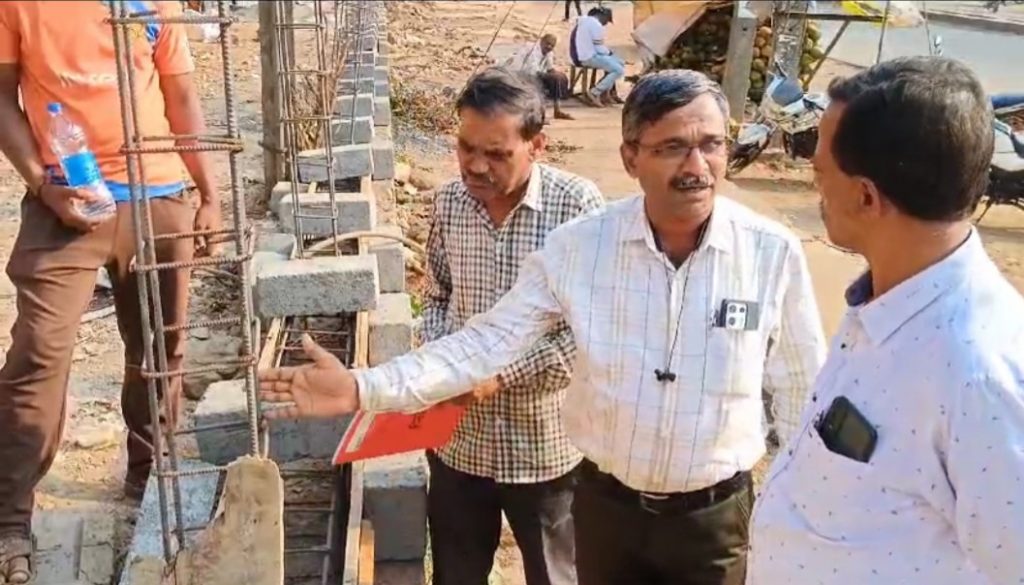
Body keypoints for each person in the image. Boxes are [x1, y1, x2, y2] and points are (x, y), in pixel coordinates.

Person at [259, 70, 827, 585]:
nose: (697, 167)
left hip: (711, 518)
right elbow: (485, 339)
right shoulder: (584, 248)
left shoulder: (770, 253)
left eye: (712, 145)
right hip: (605, 508)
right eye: (673, 147)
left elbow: (804, 397)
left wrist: (804, 526)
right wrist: (364, 388)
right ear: (631, 157)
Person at [748, 56, 1024, 584]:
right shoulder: (889, 302)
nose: (815, 188)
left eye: (820, 173)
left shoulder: (981, 375)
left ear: (866, 196)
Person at [0, 2, 219, 582]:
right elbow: (1, 96)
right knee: (38, 354)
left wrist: (209, 193)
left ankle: (149, 478)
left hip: (159, 192)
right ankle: (10, 519)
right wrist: (42, 185)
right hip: (66, 197)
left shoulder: (157, 3)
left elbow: (179, 93)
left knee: (160, 347)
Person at [422, 67, 604, 585]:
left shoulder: (578, 208)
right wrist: (441, 364)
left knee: (556, 575)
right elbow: (436, 295)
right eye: (466, 147)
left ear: (536, 145)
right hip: (459, 444)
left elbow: (589, 333)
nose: (476, 165)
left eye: (497, 154)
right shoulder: (450, 203)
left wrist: (498, 377)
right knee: (456, 574)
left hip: (546, 449)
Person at [503, 34, 575, 121]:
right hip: (523, 74)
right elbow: (534, 71)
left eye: (552, 45)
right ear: (542, 41)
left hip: (536, 74)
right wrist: (553, 75)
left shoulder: (549, 53)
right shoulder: (532, 49)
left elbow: (549, 68)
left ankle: (558, 109)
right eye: (547, 44)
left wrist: (559, 74)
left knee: (560, 78)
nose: (549, 47)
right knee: (553, 79)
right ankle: (541, 114)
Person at [569, 7, 624, 108]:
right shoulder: (596, 25)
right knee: (618, 70)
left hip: (584, 54)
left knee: (620, 62)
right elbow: (599, 48)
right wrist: (609, 53)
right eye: (607, 20)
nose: (606, 23)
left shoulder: (585, 21)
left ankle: (605, 92)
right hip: (589, 57)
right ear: (603, 16)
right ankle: (595, 92)